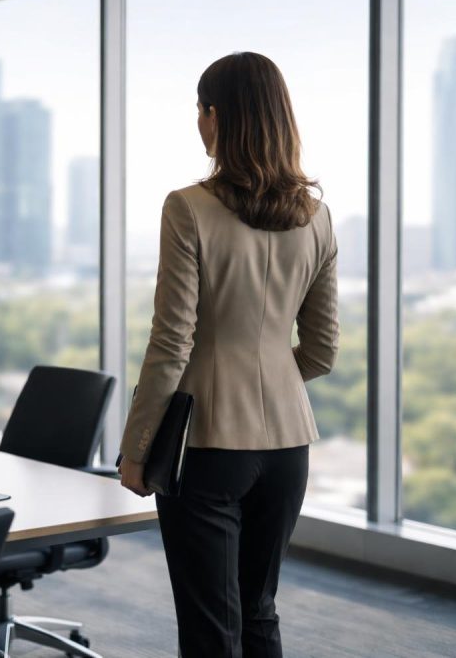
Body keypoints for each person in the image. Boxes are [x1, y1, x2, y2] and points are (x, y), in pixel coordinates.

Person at [119, 52, 339, 657]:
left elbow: (171, 341)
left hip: (207, 445)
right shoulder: (316, 217)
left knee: (210, 624)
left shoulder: (187, 207)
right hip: (290, 447)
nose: (197, 120)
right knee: (260, 610)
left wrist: (137, 449)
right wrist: (272, 378)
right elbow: (322, 350)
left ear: (215, 117)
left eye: (199, 108)